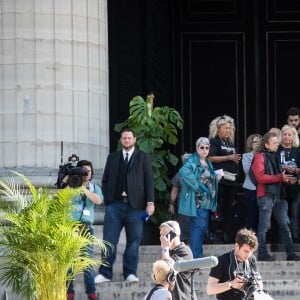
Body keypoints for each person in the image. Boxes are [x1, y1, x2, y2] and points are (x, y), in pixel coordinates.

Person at [95, 127, 155, 283]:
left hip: (136, 207)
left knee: (134, 241)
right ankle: (105, 273)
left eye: (129, 138)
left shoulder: (143, 157)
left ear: (134, 139)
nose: (127, 140)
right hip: (114, 206)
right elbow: (106, 179)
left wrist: (150, 202)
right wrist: (107, 198)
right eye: (124, 138)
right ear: (121, 140)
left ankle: (129, 273)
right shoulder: (113, 157)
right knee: (109, 241)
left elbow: (149, 181)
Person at [251, 131, 300, 261]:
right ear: (266, 144)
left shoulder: (275, 156)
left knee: (285, 225)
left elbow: (277, 177)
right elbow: (260, 177)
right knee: (264, 226)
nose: (277, 145)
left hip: (278, 197)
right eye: (274, 143)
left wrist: (287, 180)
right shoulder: (259, 157)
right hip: (265, 196)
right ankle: (262, 253)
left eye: (277, 143)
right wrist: (280, 177)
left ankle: (290, 253)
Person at [66, 160, 103, 300]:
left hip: (86, 228)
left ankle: (91, 293)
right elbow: (62, 197)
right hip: (71, 227)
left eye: (88, 171)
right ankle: (68, 292)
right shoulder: (71, 185)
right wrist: (69, 181)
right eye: (83, 171)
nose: (86, 174)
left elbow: (98, 200)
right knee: (68, 261)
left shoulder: (94, 187)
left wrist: (83, 188)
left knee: (86, 261)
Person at [178, 137, 221, 258]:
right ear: (197, 148)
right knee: (198, 226)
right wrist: (198, 186)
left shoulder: (208, 162)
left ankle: (196, 254)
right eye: (202, 147)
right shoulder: (192, 160)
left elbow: (209, 178)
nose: (204, 150)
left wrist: (216, 178)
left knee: (201, 227)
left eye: (207, 148)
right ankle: (196, 256)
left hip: (206, 201)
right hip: (196, 200)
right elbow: (184, 172)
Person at [208, 115, 242, 243]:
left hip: (232, 179)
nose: (228, 130)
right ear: (218, 129)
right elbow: (210, 158)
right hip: (219, 178)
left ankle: (226, 234)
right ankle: (213, 233)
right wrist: (228, 158)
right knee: (216, 206)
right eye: (225, 128)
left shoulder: (230, 143)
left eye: (230, 128)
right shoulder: (214, 141)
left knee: (228, 207)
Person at [207, 228, 264, 300]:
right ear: (237, 246)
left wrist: (258, 286)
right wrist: (231, 284)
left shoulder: (252, 259)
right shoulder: (222, 261)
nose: (248, 255)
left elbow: (259, 282)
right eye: (246, 251)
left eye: (251, 252)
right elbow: (210, 289)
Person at [159, 220, 197, 300]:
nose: (162, 238)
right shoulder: (168, 252)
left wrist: (165, 249)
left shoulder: (185, 251)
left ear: (173, 235)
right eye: (161, 235)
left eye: (164, 235)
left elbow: (168, 267)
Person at [276, 125, 300, 241]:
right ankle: (282, 237)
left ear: (294, 136)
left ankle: (295, 236)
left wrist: (296, 170)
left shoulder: (298, 150)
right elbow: (273, 167)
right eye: (284, 134)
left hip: (296, 187)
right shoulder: (277, 149)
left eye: (289, 134)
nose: (286, 137)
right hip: (281, 187)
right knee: (282, 213)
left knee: (295, 212)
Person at [168, 153, 192, 244]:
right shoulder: (180, 175)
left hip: (197, 206)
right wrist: (171, 204)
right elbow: (174, 190)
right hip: (183, 207)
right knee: (183, 230)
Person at [242, 133, 262, 231]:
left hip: (263, 188)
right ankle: (251, 234)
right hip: (251, 188)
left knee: (262, 213)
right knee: (251, 213)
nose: (257, 144)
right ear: (250, 144)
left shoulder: (264, 155)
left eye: (259, 142)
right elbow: (247, 170)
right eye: (255, 142)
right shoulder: (246, 156)